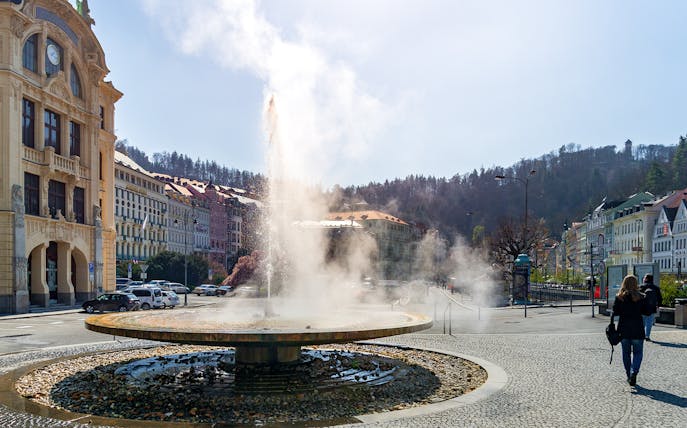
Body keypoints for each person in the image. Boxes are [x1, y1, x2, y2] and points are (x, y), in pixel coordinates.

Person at [612, 274, 651, 386]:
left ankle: (629, 374)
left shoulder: (620, 297)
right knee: (638, 353)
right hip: (638, 329)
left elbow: (616, 312)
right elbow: (647, 312)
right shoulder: (641, 297)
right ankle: (635, 372)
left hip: (624, 330)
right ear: (636, 284)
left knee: (626, 353)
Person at [639, 274, 662, 341]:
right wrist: (658, 305)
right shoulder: (656, 288)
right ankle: (647, 336)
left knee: (642, 323)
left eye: (644, 278)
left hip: (642, 308)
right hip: (652, 308)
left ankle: (641, 335)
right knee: (649, 323)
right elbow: (659, 298)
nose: (643, 279)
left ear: (646, 279)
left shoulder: (641, 287)